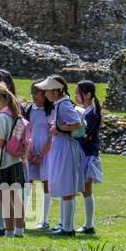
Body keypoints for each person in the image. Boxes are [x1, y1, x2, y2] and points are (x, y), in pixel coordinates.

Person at [38, 75, 84, 236]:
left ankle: (67, 227)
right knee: (63, 186)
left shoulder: (64, 105)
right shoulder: (60, 104)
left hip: (64, 146)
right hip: (60, 146)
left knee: (66, 187)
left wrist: (58, 128)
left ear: (57, 91)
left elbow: (76, 124)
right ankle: (65, 224)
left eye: (48, 91)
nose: (45, 94)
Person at [0, 82, 26, 237]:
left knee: (5, 199)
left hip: (3, 162)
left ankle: (8, 231)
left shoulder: (2, 116)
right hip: (15, 160)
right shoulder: (15, 113)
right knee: (16, 198)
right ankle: (19, 230)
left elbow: (0, 141)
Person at [74, 79, 103, 234]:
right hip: (84, 154)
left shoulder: (91, 114)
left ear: (87, 95)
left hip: (88, 154)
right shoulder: (86, 111)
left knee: (87, 189)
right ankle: (88, 224)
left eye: (78, 93)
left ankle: (89, 224)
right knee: (85, 190)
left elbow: (85, 135)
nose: (76, 96)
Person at [25, 83, 53, 229]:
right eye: (32, 93)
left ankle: (44, 219)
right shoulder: (30, 109)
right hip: (31, 151)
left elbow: (51, 136)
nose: (34, 96)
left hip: (46, 152)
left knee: (46, 185)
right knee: (27, 183)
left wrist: (41, 154)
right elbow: (27, 130)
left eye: (37, 93)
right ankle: (22, 217)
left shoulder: (51, 111)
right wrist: (28, 151)